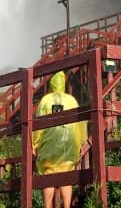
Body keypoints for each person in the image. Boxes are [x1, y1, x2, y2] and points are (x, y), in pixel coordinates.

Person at [32, 71, 87, 208]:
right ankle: (67, 206)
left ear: (51, 83)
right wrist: (81, 142)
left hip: (49, 141)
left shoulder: (45, 100)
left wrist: (34, 143)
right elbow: (80, 124)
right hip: (69, 143)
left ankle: (48, 206)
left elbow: (38, 125)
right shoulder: (72, 100)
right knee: (66, 174)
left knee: (48, 175)